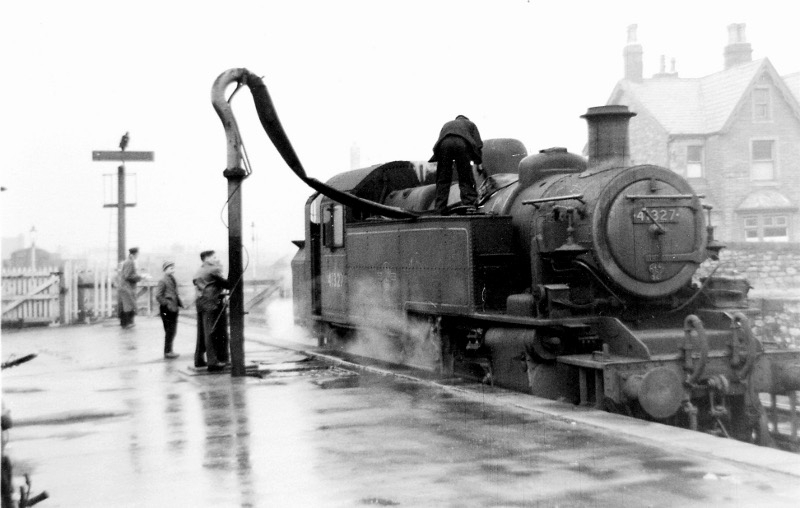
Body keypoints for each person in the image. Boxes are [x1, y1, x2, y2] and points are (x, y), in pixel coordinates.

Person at [429, 115, 484, 215]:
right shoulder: (470, 124)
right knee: (465, 176)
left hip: (444, 145)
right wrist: (479, 163)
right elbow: (478, 145)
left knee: (443, 178)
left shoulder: (447, 124)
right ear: (466, 119)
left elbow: (440, 140)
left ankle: (440, 208)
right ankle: (469, 203)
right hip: (461, 143)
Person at [193, 250, 231, 372]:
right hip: (210, 303)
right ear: (207, 259)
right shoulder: (213, 269)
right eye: (214, 257)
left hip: (201, 302)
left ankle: (199, 360)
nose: (216, 259)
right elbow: (227, 284)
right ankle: (213, 363)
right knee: (210, 332)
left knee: (202, 332)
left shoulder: (200, 269)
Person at [155, 261, 183, 359]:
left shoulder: (173, 279)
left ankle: (170, 350)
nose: (173, 270)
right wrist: (166, 303)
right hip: (167, 308)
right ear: (165, 269)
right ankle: (168, 351)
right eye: (170, 268)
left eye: (173, 268)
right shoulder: (163, 281)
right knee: (169, 330)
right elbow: (158, 295)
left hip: (174, 307)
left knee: (173, 330)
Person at [118, 247, 142, 329]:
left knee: (127, 305)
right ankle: (126, 323)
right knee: (128, 305)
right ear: (133, 254)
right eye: (137, 254)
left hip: (126, 287)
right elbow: (127, 276)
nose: (137, 256)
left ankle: (126, 323)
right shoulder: (130, 262)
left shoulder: (128, 262)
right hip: (126, 287)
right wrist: (139, 277)